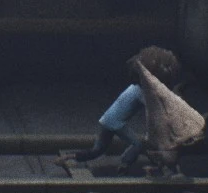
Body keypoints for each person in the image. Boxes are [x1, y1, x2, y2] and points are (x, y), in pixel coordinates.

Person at [56, 46, 188, 177]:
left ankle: (67, 157)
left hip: (106, 120)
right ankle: (124, 165)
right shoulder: (141, 92)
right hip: (116, 123)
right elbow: (154, 109)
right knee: (137, 145)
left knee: (97, 151)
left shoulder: (134, 88)